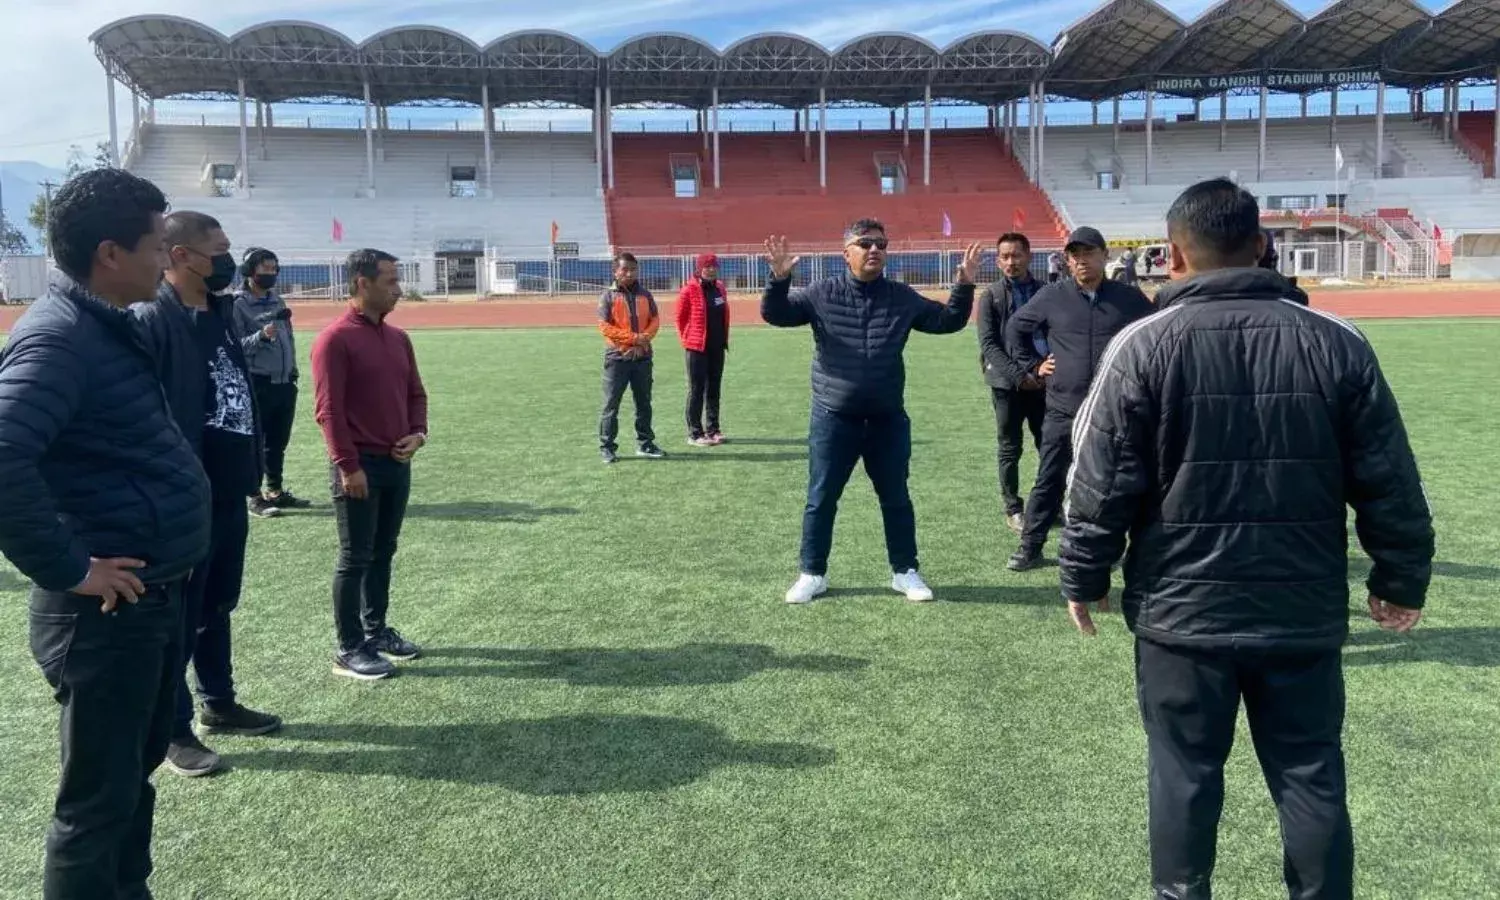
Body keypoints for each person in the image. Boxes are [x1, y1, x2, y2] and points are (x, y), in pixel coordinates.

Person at [1059, 178, 1434, 900]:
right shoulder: (1336, 340)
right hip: (1299, 609)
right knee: (1309, 772)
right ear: (1262, 247)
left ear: (1173, 256)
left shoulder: (1143, 344)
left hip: (1182, 613)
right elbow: (1390, 476)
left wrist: (1084, 571)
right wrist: (1399, 576)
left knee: (1184, 775)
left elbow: (1099, 479)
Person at [0, 168, 211, 899]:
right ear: (110, 254)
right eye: (155, 247)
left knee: (127, 782)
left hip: (145, 603)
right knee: (95, 804)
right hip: (104, 614)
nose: (165, 260)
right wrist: (70, 568)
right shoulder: (60, 340)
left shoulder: (105, 325)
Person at [133, 212, 283, 778]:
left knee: (218, 603)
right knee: (178, 615)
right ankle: (173, 729)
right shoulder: (153, 320)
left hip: (228, 489)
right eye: (218, 250)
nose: (228, 260)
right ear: (180, 255)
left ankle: (217, 701)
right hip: (183, 498)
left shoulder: (221, 312)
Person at [762, 219, 982, 604]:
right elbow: (776, 314)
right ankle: (812, 572)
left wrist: (964, 285)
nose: (874, 249)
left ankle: (905, 571)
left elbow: (947, 321)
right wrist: (779, 280)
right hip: (833, 417)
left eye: (881, 244)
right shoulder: (822, 293)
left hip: (886, 420)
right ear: (846, 252)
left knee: (896, 497)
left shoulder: (901, 297)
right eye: (865, 243)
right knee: (821, 498)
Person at [1005, 226, 1153, 572]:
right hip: (1063, 408)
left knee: (1117, 481)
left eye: (1089, 253)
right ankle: (1030, 547)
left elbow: (1154, 333)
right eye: (1075, 255)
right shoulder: (1053, 296)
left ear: (1104, 256)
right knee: (1049, 479)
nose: (1082, 260)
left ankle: (1115, 551)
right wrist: (1033, 365)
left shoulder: (1128, 298)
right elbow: (1015, 329)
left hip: (1113, 409)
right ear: (1067, 261)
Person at [311, 248, 428, 681]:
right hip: (359, 467)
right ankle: (348, 648)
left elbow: (416, 394)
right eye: (390, 281)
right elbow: (328, 412)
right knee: (354, 556)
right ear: (362, 283)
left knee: (383, 551)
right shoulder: (335, 340)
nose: (399, 289)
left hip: (397, 464)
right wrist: (348, 466)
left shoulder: (399, 338)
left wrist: (418, 434)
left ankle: (375, 631)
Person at [976, 232, 1049, 533]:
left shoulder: (1046, 292)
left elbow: (1058, 333)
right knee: (1010, 447)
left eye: (1016, 255)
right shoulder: (991, 296)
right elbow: (989, 344)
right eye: (1005, 257)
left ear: (1028, 257)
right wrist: (1020, 377)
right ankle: (1013, 508)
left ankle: (1049, 504)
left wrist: (1042, 371)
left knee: (1049, 445)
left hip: (1043, 382)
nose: (1011, 262)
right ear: (997, 261)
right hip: (1007, 385)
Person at [234, 247, 310, 517]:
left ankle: (275, 491)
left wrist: (293, 370)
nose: (271, 273)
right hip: (258, 382)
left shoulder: (278, 301)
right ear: (249, 270)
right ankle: (254, 496)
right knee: (254, 441)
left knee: (278, 441)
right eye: (265, 268)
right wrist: (260, 337)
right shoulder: (237, 305)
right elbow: (234, 347)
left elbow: (288, 338)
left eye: (274, 268)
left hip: (284, 382)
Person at [598, 251, 665, 463]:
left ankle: (645, 443)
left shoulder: (646, 295)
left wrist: (642, 340)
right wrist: (633, 339)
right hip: (617, 358)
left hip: (642, 357)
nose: (629, 273)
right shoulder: (608, 296)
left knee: (644, 403)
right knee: (611, 404)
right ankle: (607, 447)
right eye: (625, 269)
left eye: (633, 269)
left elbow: (655, 321)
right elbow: (605, 327)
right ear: (615, 272)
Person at [676, 252, 730, 446]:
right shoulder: (689, 289)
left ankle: (713, 429)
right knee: (696, 389)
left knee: (714, 388)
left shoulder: (720, 288)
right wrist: (688, 340)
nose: (711, 269)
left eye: (714, 266)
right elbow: (680, 318)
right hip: (697, 349)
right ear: (699, 268)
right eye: (707, 266)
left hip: (717, 347)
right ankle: (695, 433)